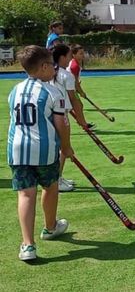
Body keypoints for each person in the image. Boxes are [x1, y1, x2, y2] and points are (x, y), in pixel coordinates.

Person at [8, 45, 73, 261]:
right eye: (52, 66)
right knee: (51, 186)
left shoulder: (14, 90)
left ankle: (28, 245)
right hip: (44, 150)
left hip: (17, 150)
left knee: (25, 194)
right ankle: (50, 227)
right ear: (44, 67)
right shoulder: (52, 91)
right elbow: (61, 124)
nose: (55, 70)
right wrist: (66, 146)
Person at [49, 44, 86, 191]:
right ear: (62, 57)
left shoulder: (50, 72)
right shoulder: (66, 75)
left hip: (51, 112)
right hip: (61, 114)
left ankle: (58, 177)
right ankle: (56, 180)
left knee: (59, 146)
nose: (70, 59)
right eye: (69, 56)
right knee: (64, 146)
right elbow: (74, 99)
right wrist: (82, 120)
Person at [68, 45, 94, 130]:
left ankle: (82, 122)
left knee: (79, 106)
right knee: (78, 106)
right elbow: (75, 82)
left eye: (83, 53)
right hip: (68, 89)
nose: (83, 55)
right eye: (80, 53)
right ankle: (83, 124)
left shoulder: (75, 63)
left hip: (71, 88)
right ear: (74, 54)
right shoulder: (74, 66)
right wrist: (81, 92)